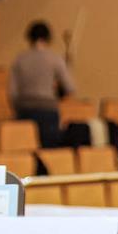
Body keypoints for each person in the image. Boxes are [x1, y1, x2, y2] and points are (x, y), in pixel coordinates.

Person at [8, 20, 75, 148]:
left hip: (24, 110)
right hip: (48, 111)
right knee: (49, 151)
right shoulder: (55, 59)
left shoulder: (20, 59)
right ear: (48, 38)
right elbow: (70, 87)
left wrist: (17, 109)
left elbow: (12, 92)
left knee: (26, 150)